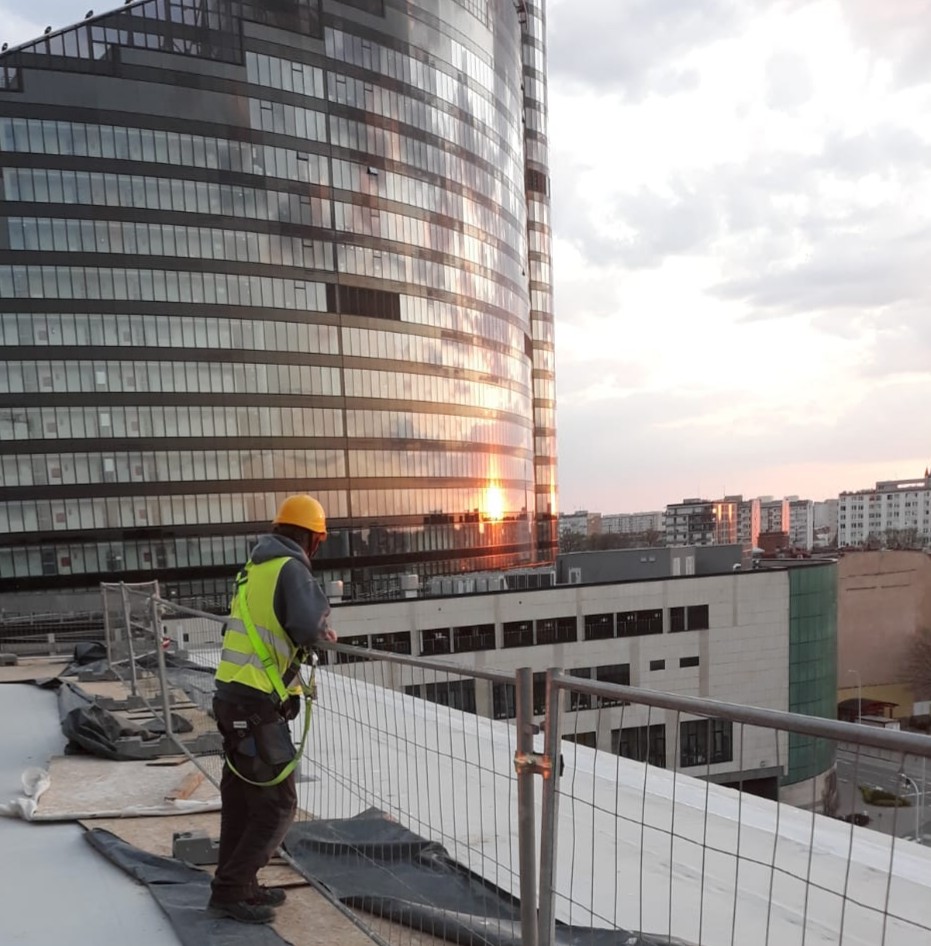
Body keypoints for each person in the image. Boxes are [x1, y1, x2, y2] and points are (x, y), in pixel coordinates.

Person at [208, 494, 337, 924]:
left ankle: (238, 884)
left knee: (242, 800)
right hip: (255, 701)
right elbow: (306, 625)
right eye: (318, 539)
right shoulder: (291, 569)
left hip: (233, 695)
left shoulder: (255, 568)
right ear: (311, 537)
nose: (317, 547)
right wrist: (323, 630)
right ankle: (230, 890)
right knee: (279, 804)